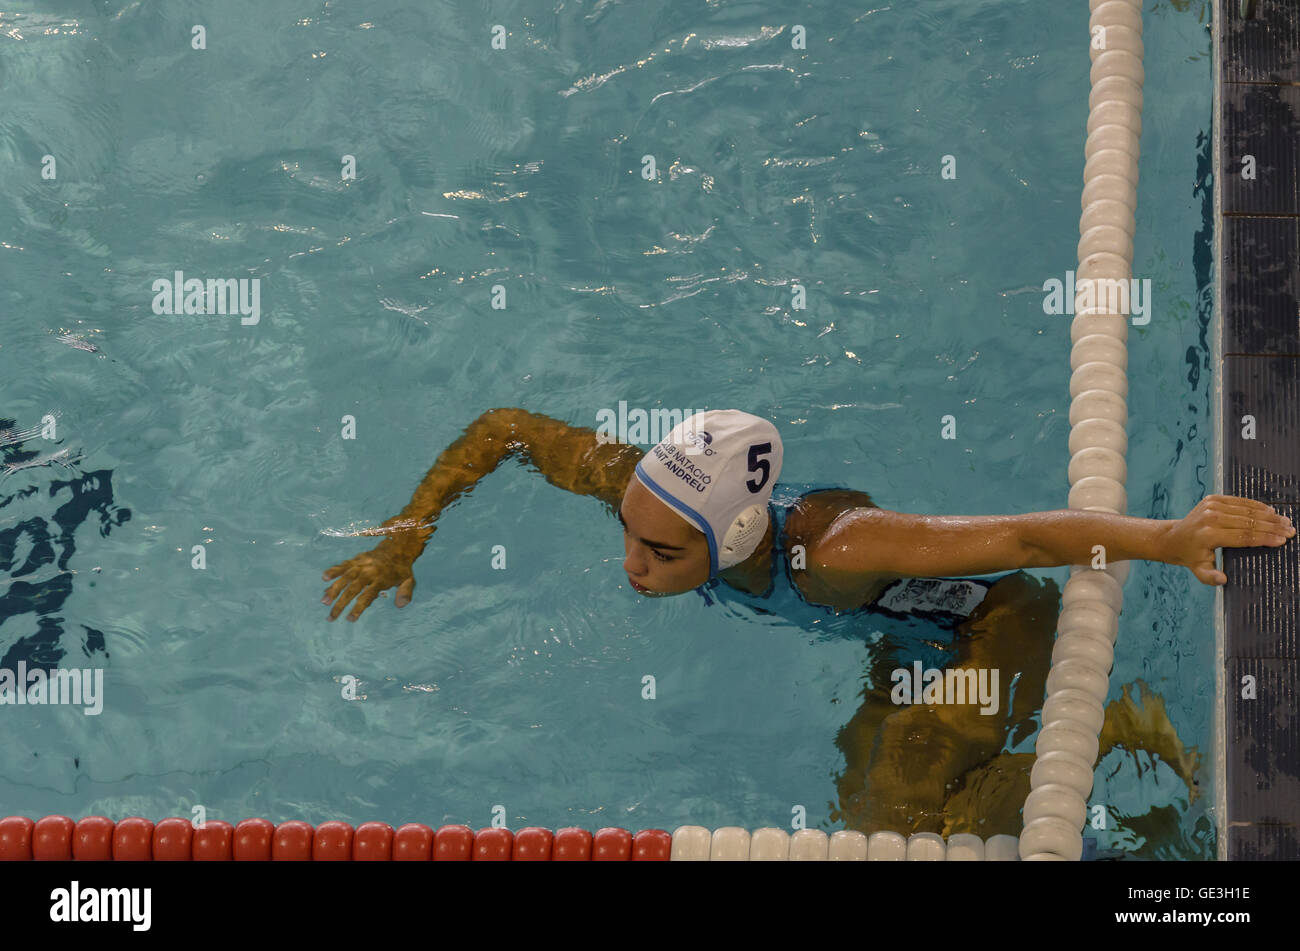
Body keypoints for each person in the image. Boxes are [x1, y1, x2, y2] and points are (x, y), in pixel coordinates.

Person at [322, 407, 1294, 622]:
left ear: (734, 538)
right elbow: (503, 430)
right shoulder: (651, 492)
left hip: (981, 629)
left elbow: (1028, 540)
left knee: (903, 821)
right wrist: (410, 532)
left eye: (657, 553)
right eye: (628, 533)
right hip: (883, 635)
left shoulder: (839, 553)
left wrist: (1168, 539)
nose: (629, 562)